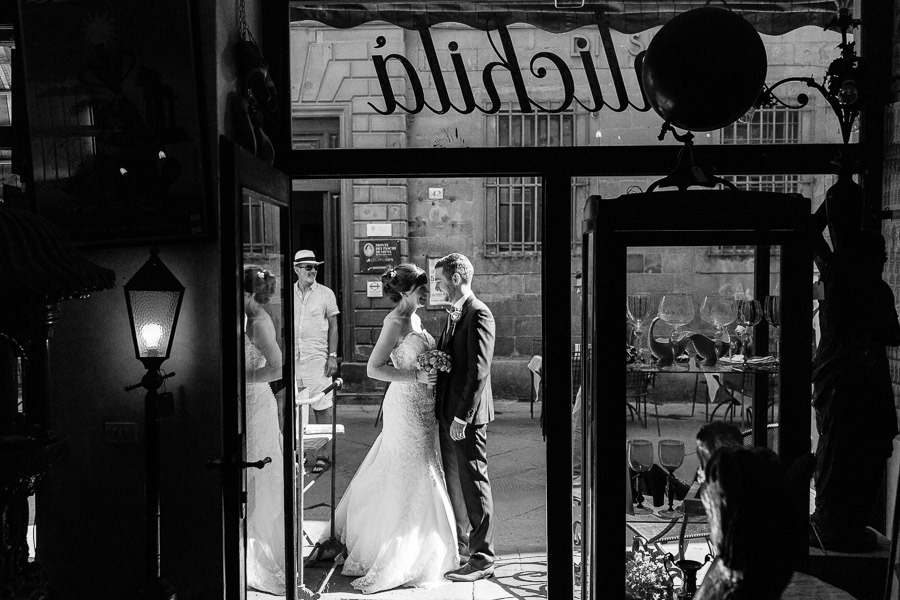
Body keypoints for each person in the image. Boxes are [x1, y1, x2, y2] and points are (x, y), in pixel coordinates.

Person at [326, 263, 458, 594]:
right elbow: (374, 368)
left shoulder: (415, 318)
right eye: (421, 289)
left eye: (427, 288)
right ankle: (400, 549)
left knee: (421, 467)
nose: (427, 293)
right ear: (404, 292)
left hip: (424, 406)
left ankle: (423, 540)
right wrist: (416, 375)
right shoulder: (394, 321)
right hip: (404, 405)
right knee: (409, 470)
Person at [434, 253, 497, 582]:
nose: (439, 286)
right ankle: (469, 550)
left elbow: (478, 373)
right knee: (460, 483)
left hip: (466, 417)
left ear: (456, 278)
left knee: (475, 483)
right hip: (450, 412)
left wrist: (462, 418)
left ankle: (483, 557)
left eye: (441, 279)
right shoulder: (456, 314)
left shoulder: (478, 313)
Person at [243, 266, 286, 594]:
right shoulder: (245, 317)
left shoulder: (258, 323)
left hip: (256, 404)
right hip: (245, 404)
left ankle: (258, 548)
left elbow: (276, 369)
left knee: (257, 473)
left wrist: (240, 380)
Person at [293, 249, 340, 474]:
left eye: (315, 267)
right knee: (297, 408)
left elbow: (334, 326)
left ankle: (323, 454)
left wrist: (332, 356)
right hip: (294, 360)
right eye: (308, 267)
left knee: (322, 407)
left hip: (317, 359)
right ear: (296, 269)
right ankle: (299, 452)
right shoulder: (287, 292)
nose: (313, 271)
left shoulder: (326, 293)